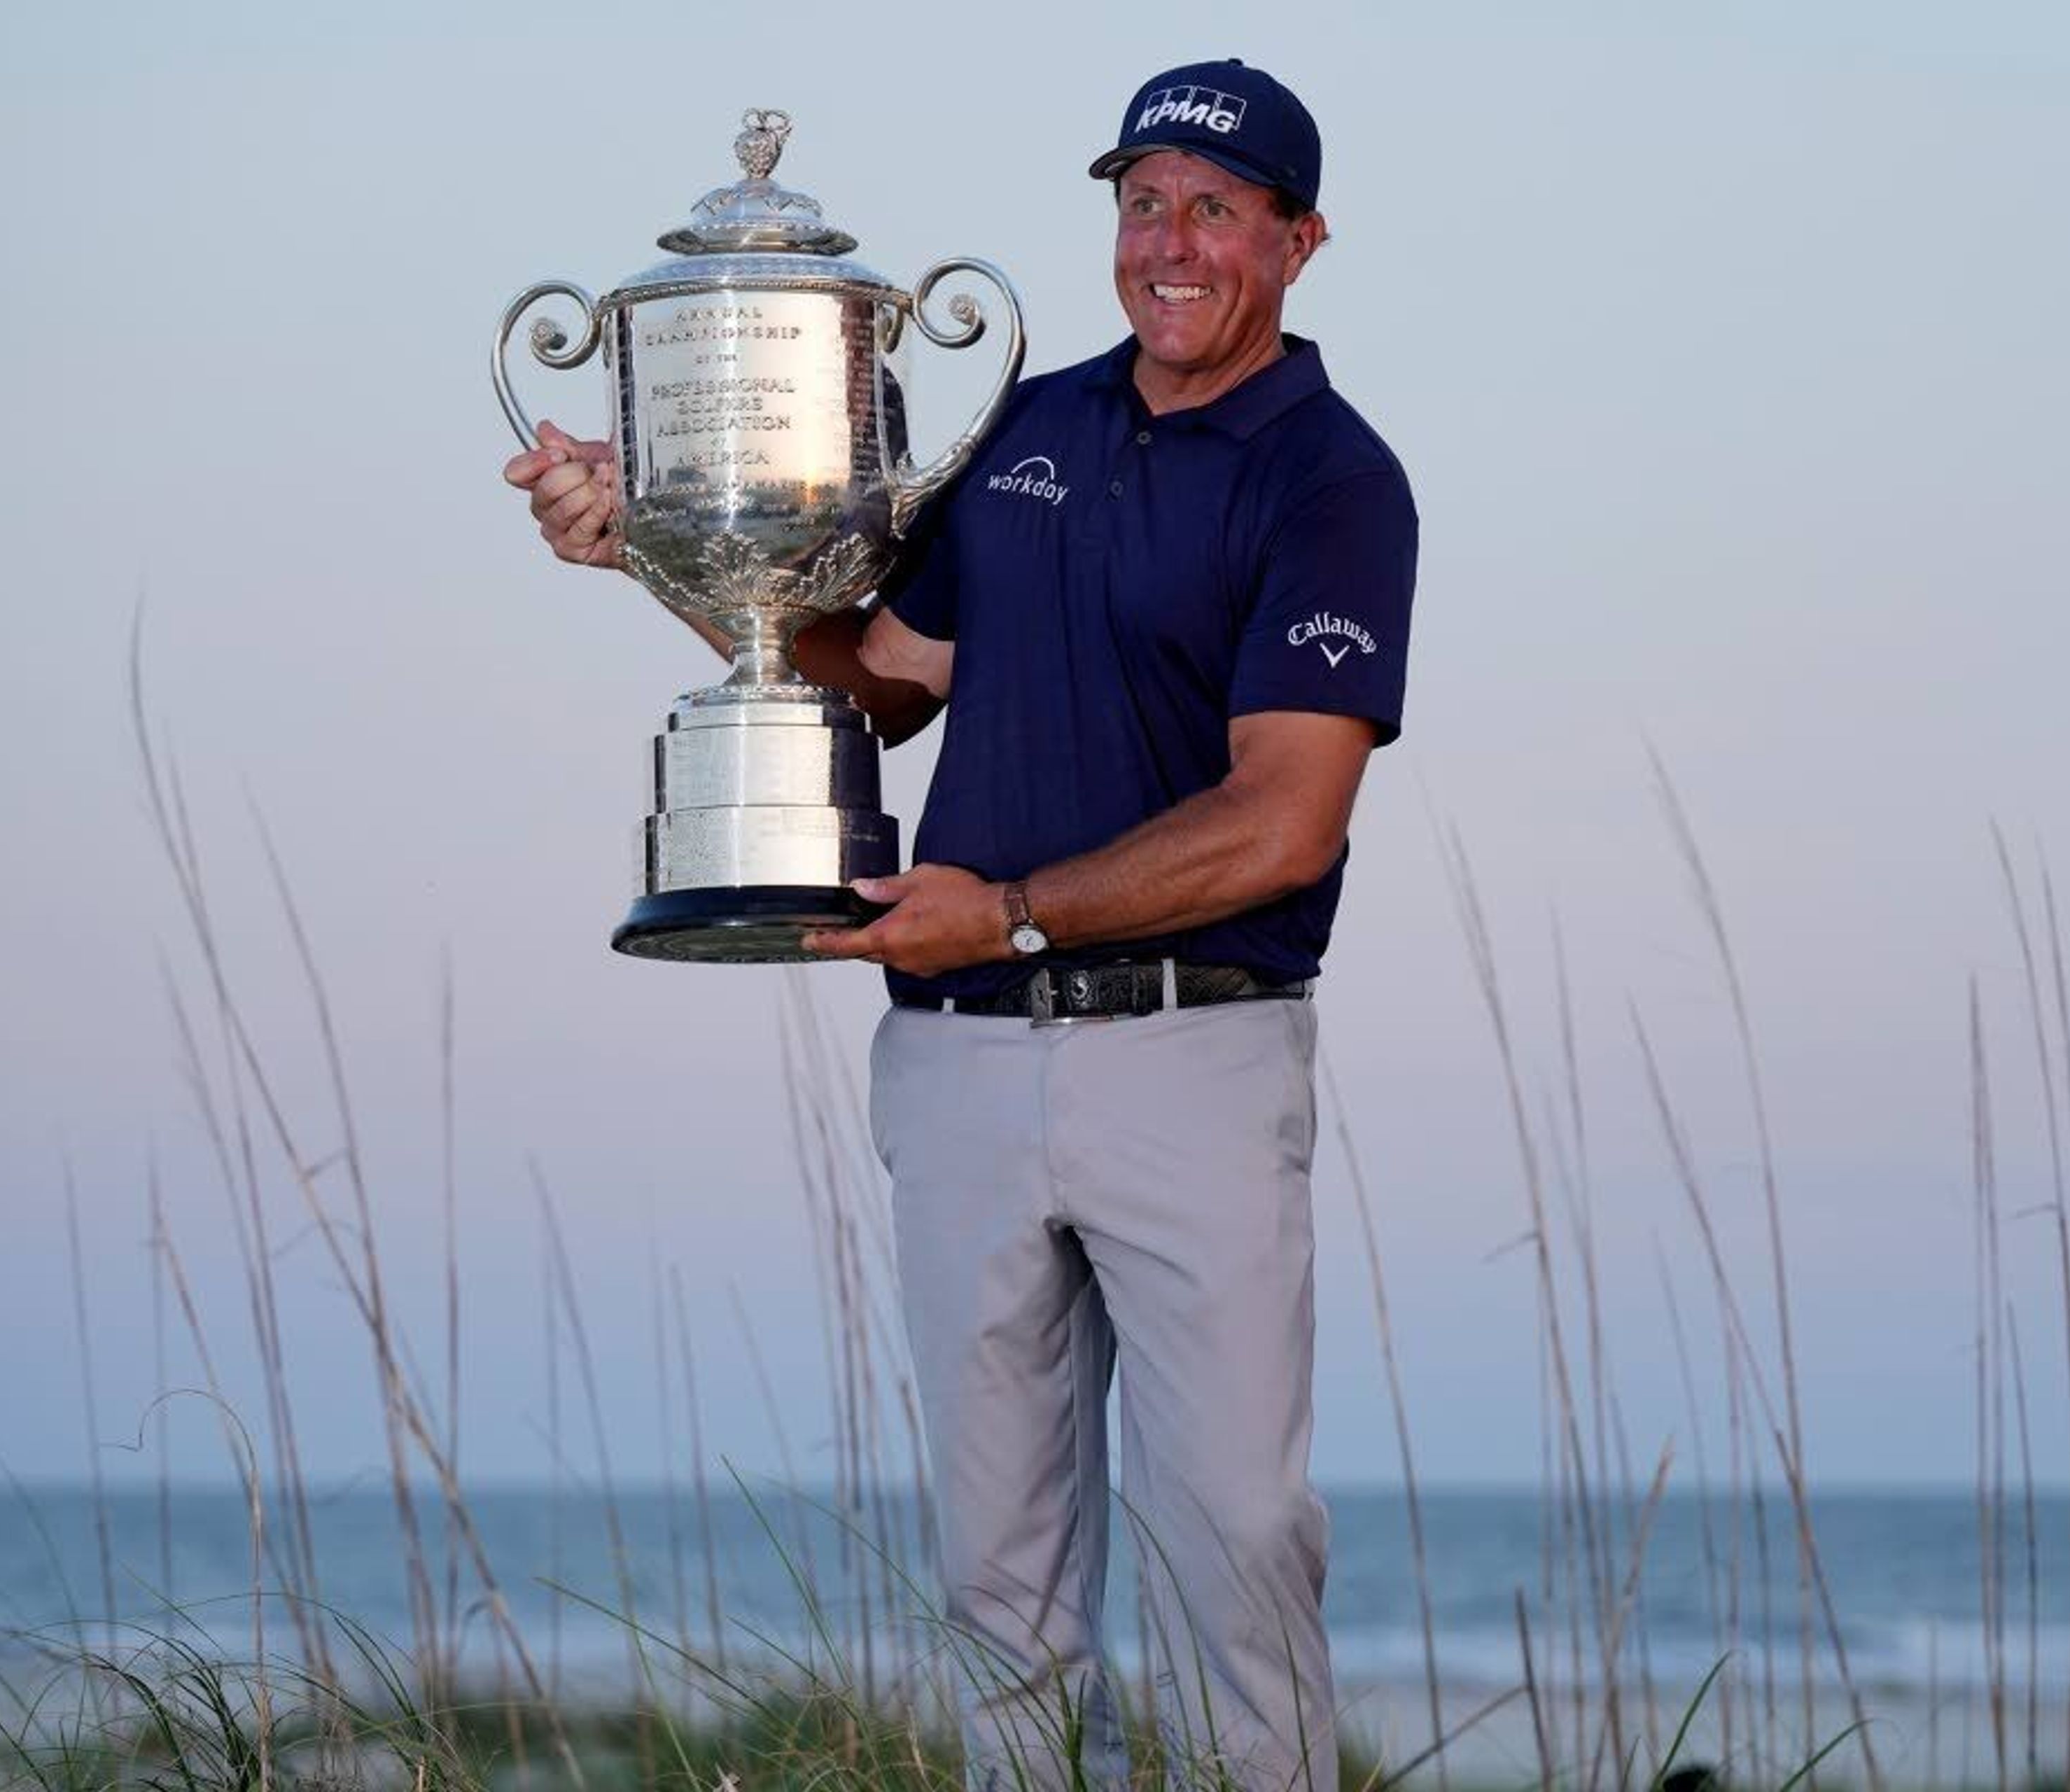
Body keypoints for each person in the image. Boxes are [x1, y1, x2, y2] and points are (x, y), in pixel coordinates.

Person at [503, 59, 1417, 1791]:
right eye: (1141, 201)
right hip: (959, 1068)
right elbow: (881, 673)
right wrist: (654, 544)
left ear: (1298, 241)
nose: (1169, 243)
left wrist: (997, 914)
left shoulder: (1334, 480)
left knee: (1233, 1549)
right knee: (999, 1582)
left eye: (1217, 210)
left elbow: (1284, 817)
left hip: (1193, 1057)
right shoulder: (1034, 428)